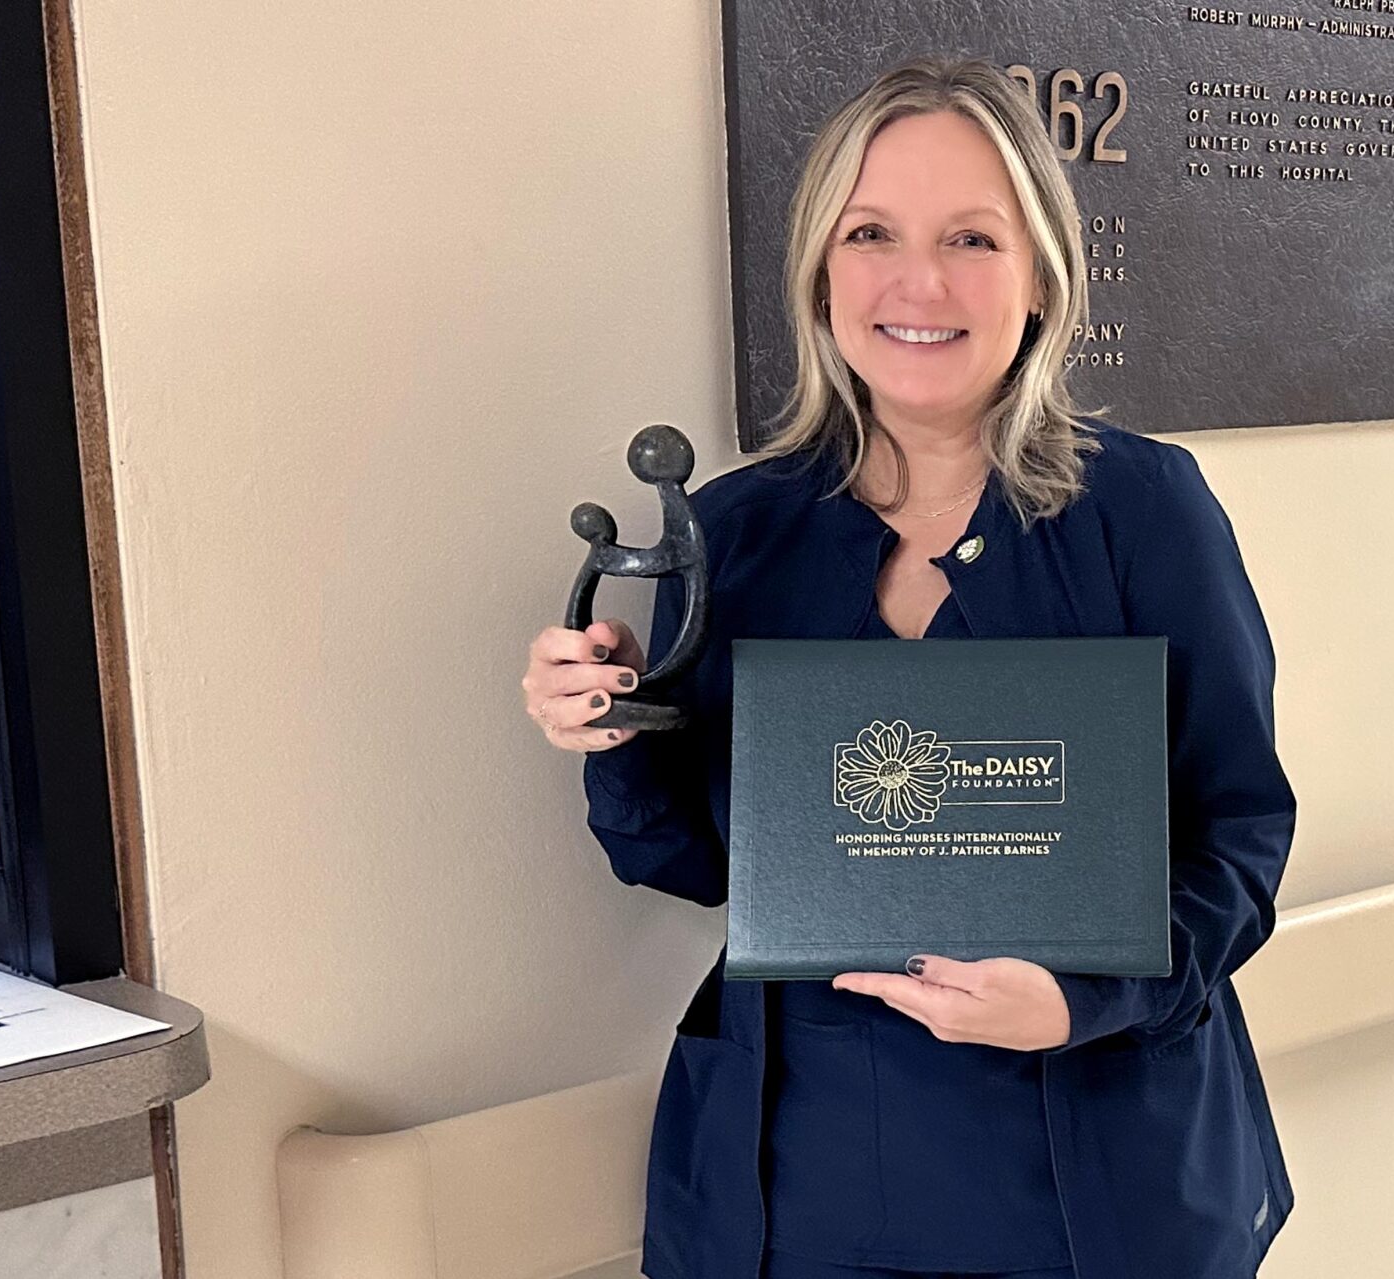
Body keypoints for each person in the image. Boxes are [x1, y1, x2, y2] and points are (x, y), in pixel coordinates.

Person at [521, 55, 1298, 1279]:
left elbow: (1239, 836)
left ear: (1039, 277)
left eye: (973, 239)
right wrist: (610, 726)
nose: (918, 281)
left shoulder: (1143, 511)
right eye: (871, 232)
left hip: (1093, 1183)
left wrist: (1082, 999)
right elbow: (686, 863)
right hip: (794, 1187)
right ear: (821, 272)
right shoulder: (733, 532)